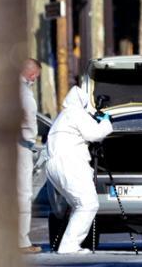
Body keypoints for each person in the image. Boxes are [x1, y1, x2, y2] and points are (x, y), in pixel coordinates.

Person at [46, 86, 113, 254]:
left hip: (55, 165)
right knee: (88, 204)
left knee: (79, 205)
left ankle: (67, 245)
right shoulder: (76, 113)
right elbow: (95, 134)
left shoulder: (62, 116)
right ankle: (69, 246)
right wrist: (105, 121)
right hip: (70, 163)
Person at [18, 58, 42, 253]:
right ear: (33, 75)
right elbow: (28, 118)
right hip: (19, 146)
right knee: (22, 193)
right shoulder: (24, 92)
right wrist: (31, 139)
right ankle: (21, 241)